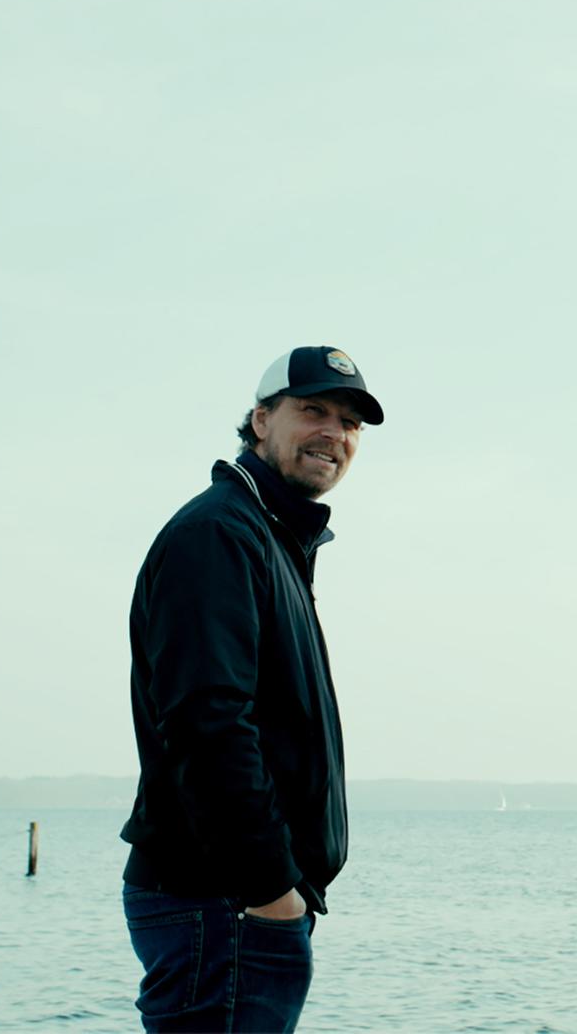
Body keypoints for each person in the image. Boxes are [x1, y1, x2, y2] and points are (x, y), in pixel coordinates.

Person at [119, 345, 384, 1033]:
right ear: (262, 420)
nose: (334, 433)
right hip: (224, 903)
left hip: (235, 903)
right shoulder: (219, 534)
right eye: (314, 411)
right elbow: (207, 722)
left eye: (350, 422)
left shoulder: (268, 536)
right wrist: (270, 888)